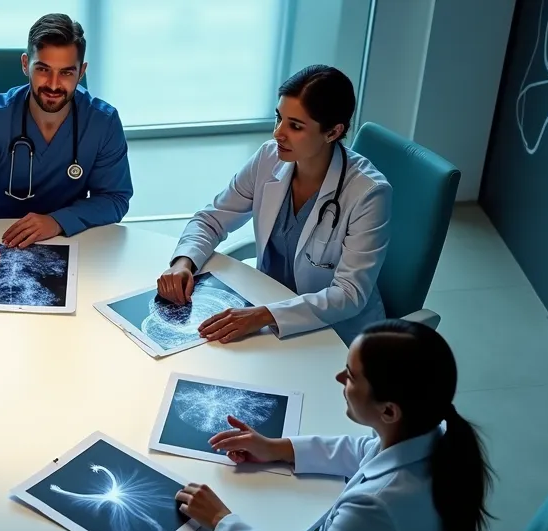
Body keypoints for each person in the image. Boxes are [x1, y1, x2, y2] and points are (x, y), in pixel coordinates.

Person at [85, 319, 493, 531]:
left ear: (389, 410)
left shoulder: (383, 506)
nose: (339, 379)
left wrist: (222, 520)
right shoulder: (434, 434)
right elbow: (362, 451)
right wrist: (277, 448)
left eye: (351, 375)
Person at [158, 65, 391, 345]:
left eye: (295, 126)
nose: (278, 133)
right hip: (266, 309)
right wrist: (183, 262)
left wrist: (265, 315)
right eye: (279, 118)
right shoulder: (269, 157)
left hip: (336, 336)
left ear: (332, 132)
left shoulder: (368, 193)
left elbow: (349, 294)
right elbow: (212, 218)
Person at [0, 13, 133, 269]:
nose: (53, 84)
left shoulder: (102, 122)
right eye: (43, 69)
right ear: (25, 64)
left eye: (66, 72)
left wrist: (57, 220)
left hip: (70, 243)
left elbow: (115, 198)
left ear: (81, 72)